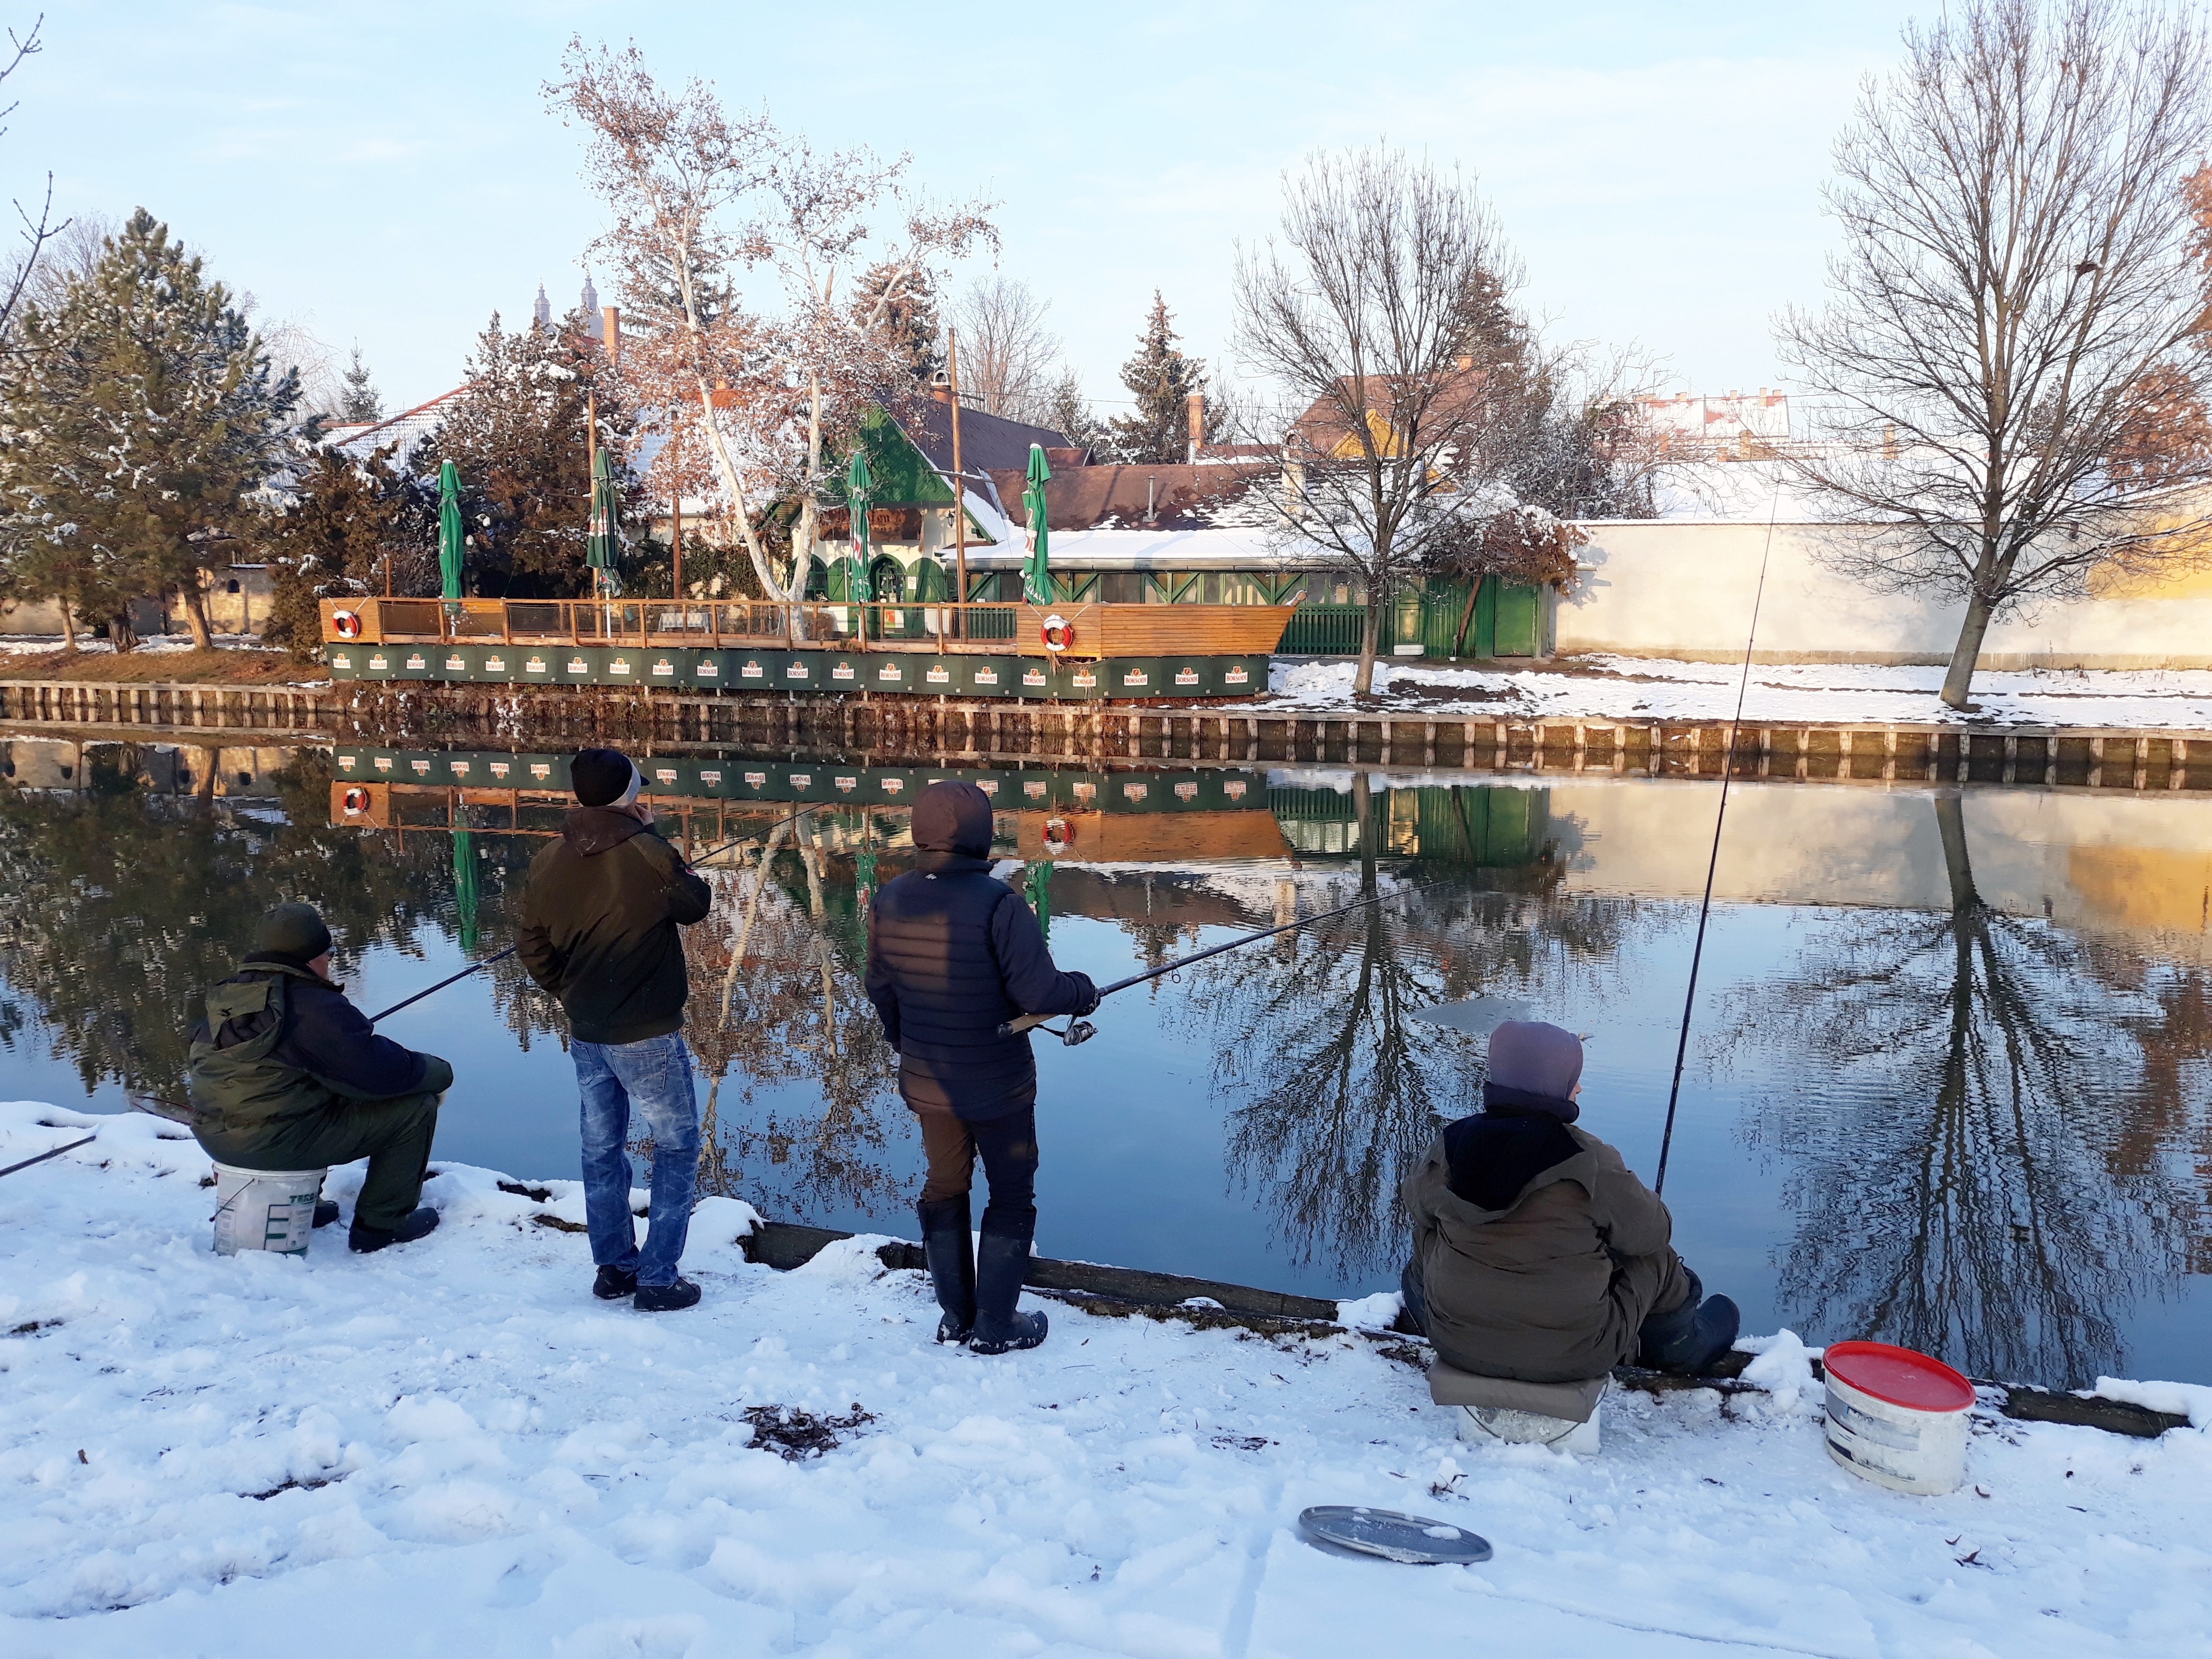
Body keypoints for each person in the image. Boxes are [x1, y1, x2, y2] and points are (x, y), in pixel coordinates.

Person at [866, 780, 1099, 1355]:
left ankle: (956, 1317)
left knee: (945, 1184)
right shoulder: (1000, 904)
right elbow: (1038, 989)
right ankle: (995, 1326)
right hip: (999, 1084)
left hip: (928, 1079)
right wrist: (1084, 991)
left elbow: (881, 988)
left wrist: (906, 1043)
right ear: (981, 834)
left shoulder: (890, 899)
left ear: (919, 830)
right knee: (1012, 1193)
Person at [1400, 1019, 1740, 1383]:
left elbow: (1416, 1205)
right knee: (1653, 1257)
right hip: (1575, 1357)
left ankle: (1448, 1317)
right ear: (1554, 1084)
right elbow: (1654, 1233)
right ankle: (1679, 1345)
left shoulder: (1450, 1146)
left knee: (1429, 1232)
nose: (1578, 1086)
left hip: (1454, 1344)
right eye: (1571, 1077)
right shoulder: (1590, 1159)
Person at [518, 748, 713, 1312]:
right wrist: (655, 841)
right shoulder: (648, 852)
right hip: (647, 1033)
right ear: (630, 796)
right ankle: (657, 1278)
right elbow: (695, 905)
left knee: (601, 1148)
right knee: (676, 1147)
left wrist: (569, 991)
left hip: (588, 1031)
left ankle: (613, 1270)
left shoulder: (549, 858)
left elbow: (532, 944)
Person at [188, 902, 451, 1253]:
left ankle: (303, 1203)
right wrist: (439, 1072)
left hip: (215, 1137)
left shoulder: (227, 995)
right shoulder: (313, 1005)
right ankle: (382, 1225)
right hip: (272, 1146)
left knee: (299, 1089)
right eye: (328, 953)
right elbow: (378, 1074)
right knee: (415, 1107)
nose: (330, 960)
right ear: (312, 957)